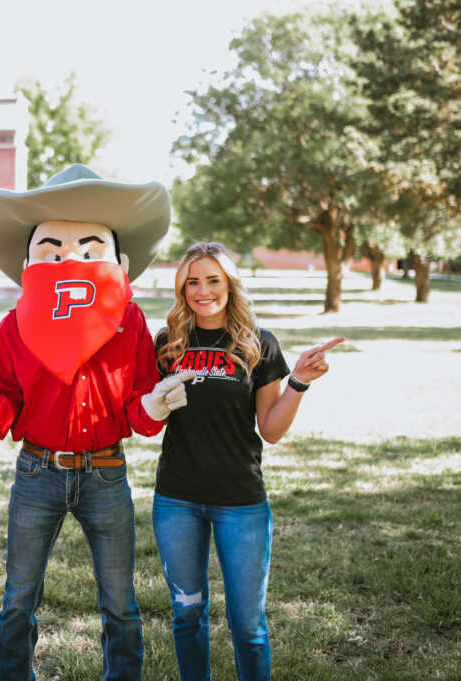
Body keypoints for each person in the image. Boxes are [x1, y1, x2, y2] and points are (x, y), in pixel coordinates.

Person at [0, 164, 195, 681]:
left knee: (120, 602)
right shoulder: (13, 327)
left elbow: (136, 406)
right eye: (53, 249)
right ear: (30, 259)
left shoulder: (130, 320)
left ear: (119, 261)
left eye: (87, 248)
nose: (70, 260)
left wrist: (153, 407)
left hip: (105, 473)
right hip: (37, 473)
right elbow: (10, 412)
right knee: (18, 598)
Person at [152, 242, 344, 681]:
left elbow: (271, 430)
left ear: (230, 284)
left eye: (213, 280)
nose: (203, 291)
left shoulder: (259, 343)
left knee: (248, 626)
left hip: (240, 500)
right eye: (192, 282)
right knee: (187, 615)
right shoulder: (168, 343)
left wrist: (297, 382)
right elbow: (146, 413)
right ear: (182, 288)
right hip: (177, 499)